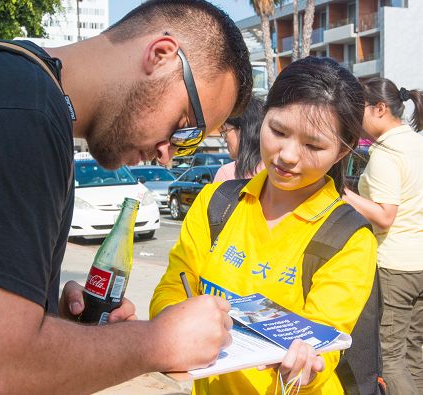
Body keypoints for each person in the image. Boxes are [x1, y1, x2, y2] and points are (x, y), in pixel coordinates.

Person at [0, 1, 253, 393]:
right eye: (185, 128)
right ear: (162, 55)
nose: (169, 156)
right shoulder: (20, 107)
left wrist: (52, 328)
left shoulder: (15, 90)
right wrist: (161, 341)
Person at [150, 57, 377, 394]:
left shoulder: (348, 238)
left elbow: (324, 342)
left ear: (342, 153)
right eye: (278, 131)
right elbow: (171, 287)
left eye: (313, 145)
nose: (287, 155)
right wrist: (178, 322)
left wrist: (305, 368)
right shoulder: (217, 203)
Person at [342, 78, 423, 395]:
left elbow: (385, 215)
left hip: (396, 268)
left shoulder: (386, 151)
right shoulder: (417, 143)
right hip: (419, 264)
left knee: (389, 359)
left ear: (379, 109)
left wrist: (344, 193)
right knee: (414, 353)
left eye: (357, 109)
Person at [213, 95, 264, 182]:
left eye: (225, 131)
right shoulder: (276, 171)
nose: (224, 139)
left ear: (242, 131)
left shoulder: (227, 175)